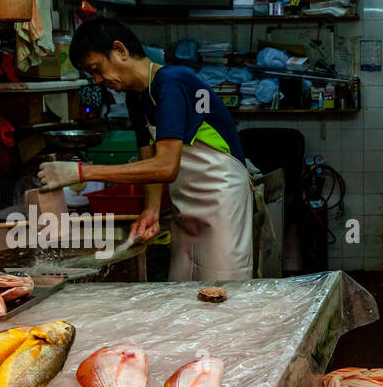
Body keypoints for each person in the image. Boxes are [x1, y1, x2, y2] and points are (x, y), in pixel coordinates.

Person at [38, 18, 254, 281]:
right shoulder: (136, 95)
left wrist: (82, 172)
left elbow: (165, 167)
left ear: (120, 50)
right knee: (184, 292)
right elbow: (149, 154)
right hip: (185, 206)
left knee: (224, 293)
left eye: (97, 68)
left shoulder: (173, 82)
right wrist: (151, 210)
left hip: (222, 200)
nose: (97, 80)